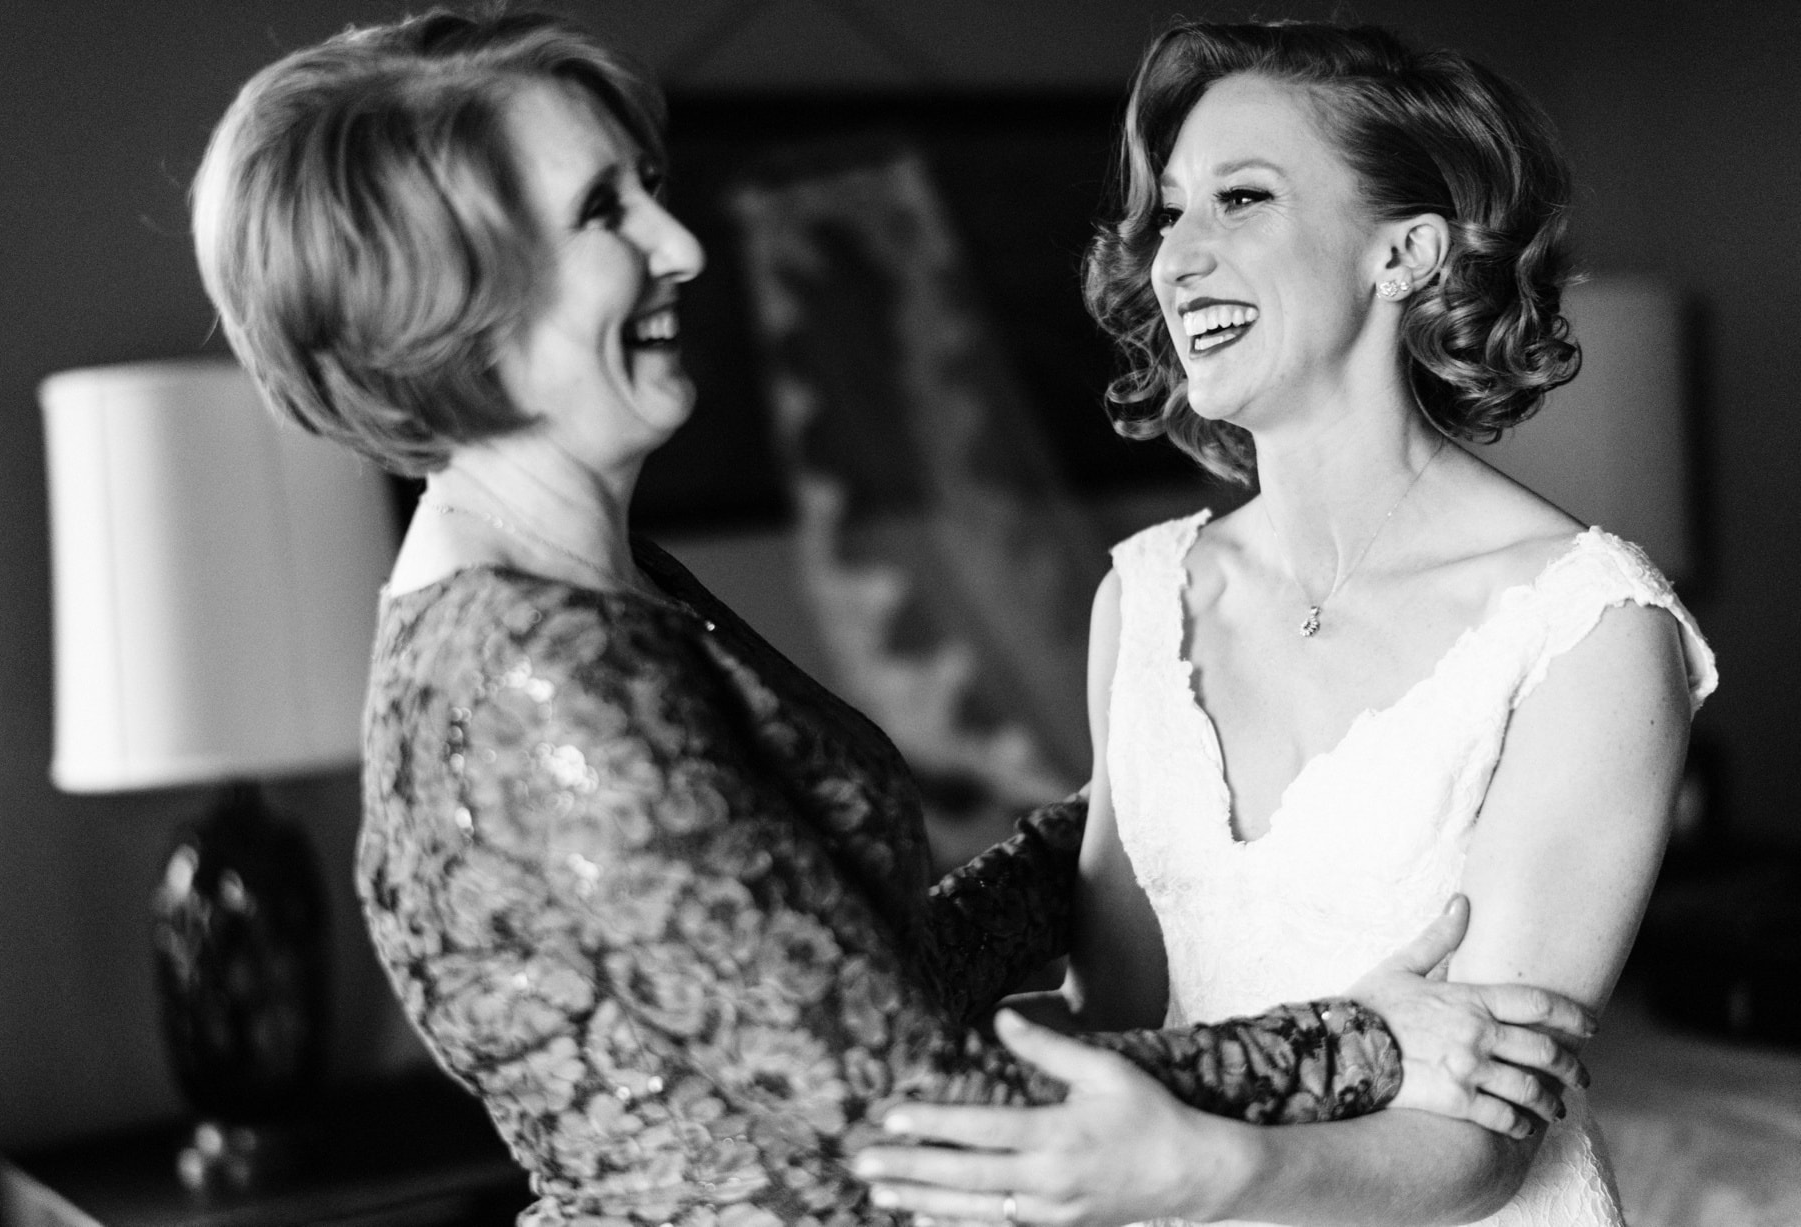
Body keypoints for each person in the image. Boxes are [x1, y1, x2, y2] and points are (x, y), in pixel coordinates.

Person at [190, 10, 1602, 1226]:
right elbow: (925, 1102)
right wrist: (1362, 1040)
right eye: (604, 212)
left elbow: (836, 982)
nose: (682, 243)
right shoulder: (536, 673)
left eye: (653, 188)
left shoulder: (610, 586)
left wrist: (1122, 810)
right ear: (445, 292)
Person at [854, 19, 1718, 1227]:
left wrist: (1209, 1172)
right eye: (1168, 214)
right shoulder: (1146, 599)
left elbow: (1480, 1142)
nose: (1175, 259)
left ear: (1405, 252)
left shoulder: (1584, 624)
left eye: (1241, 200)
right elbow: (1125, 1025)